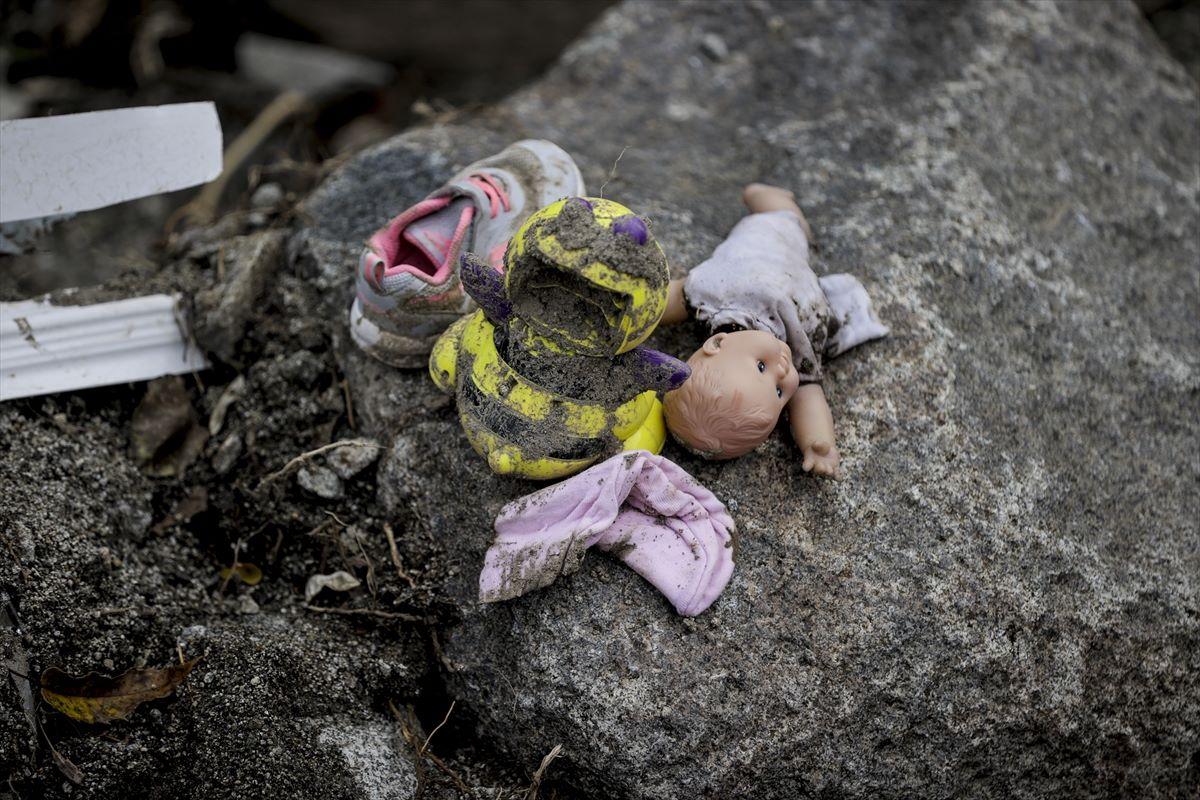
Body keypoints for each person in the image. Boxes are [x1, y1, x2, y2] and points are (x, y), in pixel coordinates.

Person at [659, 184, 888, 477]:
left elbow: (665, 302)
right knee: (799, 230)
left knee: (779, 210)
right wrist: (818, 442)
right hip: (789, 251)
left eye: (760, 366)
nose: (781, 370)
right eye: (779, 392)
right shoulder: (800, 337)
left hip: (767, 231)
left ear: (717, 343)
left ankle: (762, 194)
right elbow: (808, 396)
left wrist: (630, 320)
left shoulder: (709, 296)